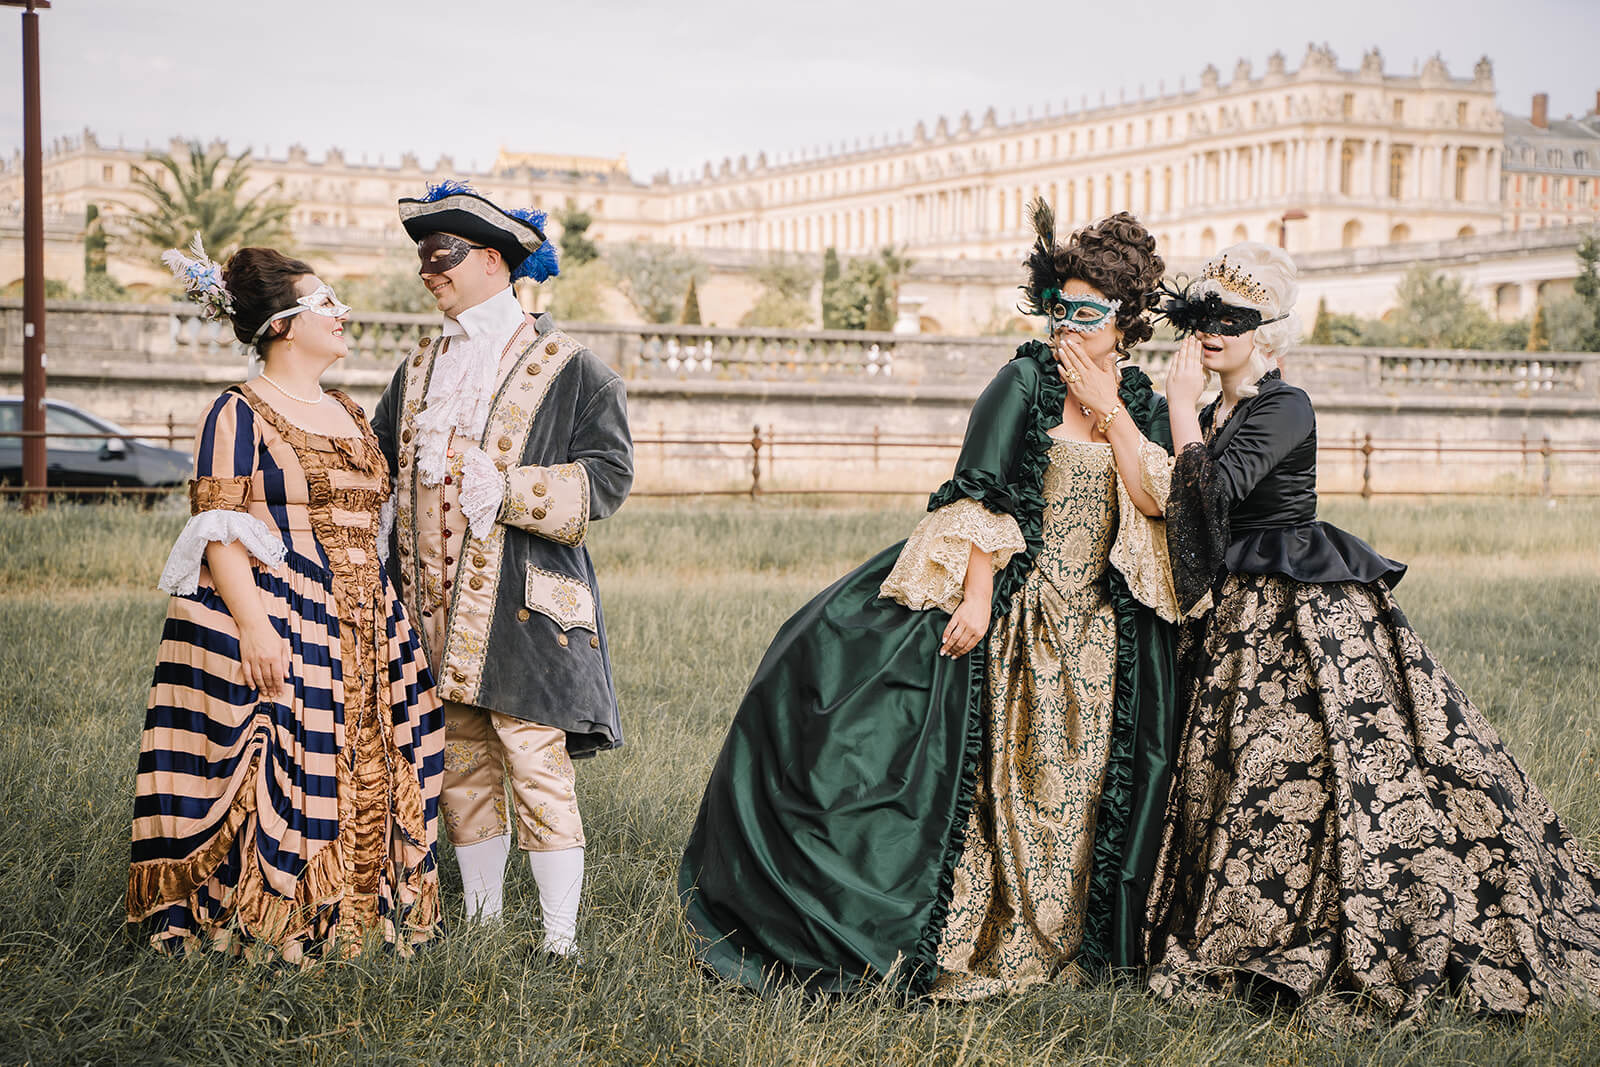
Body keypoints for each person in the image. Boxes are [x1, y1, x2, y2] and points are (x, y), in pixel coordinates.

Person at [680, 204, 1182, 998]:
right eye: (1059, 308)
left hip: (1098, 632)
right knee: (999, 780)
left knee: (1079, 787)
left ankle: (1062, 943)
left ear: (1125, 320)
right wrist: (978, 596)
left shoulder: (1141, 403)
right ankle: (988, 934)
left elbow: (1158, 500)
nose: (1067, 325)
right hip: (1019, 612)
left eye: (1087, 313)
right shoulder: (1023, 380)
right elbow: (982, 493)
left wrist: (1113, 408)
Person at [1145, 241, 1600, 1018]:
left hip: (1297, 613)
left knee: (1309, 769)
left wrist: (1181, 409)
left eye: (1233, 318)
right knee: (1233, 773)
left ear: (1269, 330)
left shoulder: (1284, 405)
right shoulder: (1195, 405)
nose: (1212, 330)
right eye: (1202, 314)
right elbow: (1168, 508)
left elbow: (1209, 500)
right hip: (1225, 619)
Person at [128, 240, 444, 960]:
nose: (342, 312)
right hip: (286, 615)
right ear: (282, 325)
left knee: (374, 757)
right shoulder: (237, 412)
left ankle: (362, 922)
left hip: (368, 623)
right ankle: (271, 930)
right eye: (325, 302)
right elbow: (219, 532)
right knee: (291, 765)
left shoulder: (351, 412)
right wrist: (257, 629)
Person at [370, 182, 634, 957]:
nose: (428, 270)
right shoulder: (416, 368)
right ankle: (482, 922)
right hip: (431, 607)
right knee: (460, 765)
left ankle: (560, 939)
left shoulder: (575, 369)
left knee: (535, 764)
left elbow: (608, 476)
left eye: (442, 255)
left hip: (527, 608)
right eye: (422, 257)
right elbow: (384, 467)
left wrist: (509, 487)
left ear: (491, 261)